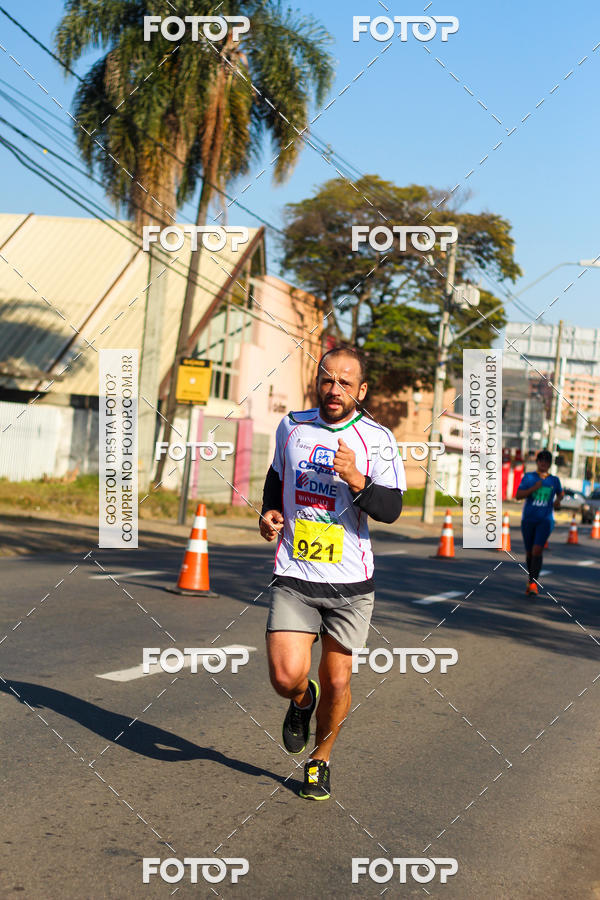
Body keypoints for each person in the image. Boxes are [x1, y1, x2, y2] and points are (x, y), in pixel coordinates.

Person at [259, 346, 406, 800]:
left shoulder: (377, 439)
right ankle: (303, 700)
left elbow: (392, 508)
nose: (334, 389)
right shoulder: (292, 426)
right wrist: (269, 511)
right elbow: (276, 477)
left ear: (362, 390)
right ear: (317, 382)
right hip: (295, 573)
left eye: (345, 382)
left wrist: (357, 479)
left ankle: (319, 761)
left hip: (350, 583)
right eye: (327, 380)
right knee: (285, 677)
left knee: (339, 680)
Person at [515, 449, 564, 595]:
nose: (543, 463)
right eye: (541, 460)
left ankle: (533, 583)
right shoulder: (529, 477)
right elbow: (518, 495)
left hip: (545, 520)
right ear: (537, 462)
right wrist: (533, 488)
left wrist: (558, 501)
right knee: (529, 552)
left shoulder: (554, 480)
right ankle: (531, 579)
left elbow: (560, 493)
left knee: (537, 550)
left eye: (546, 461)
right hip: (528, 519)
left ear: (549, 464)